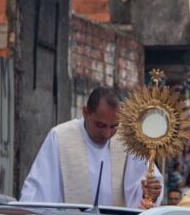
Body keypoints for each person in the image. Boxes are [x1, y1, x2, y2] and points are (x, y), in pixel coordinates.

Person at [20, 87, 162, 207]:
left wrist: (148, 193)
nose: (107, 134)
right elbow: (39, 192)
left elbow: (141, 189)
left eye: (114, 126)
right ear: (86, 112)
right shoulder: (60, 137)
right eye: (100, 125)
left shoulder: (128, 138)